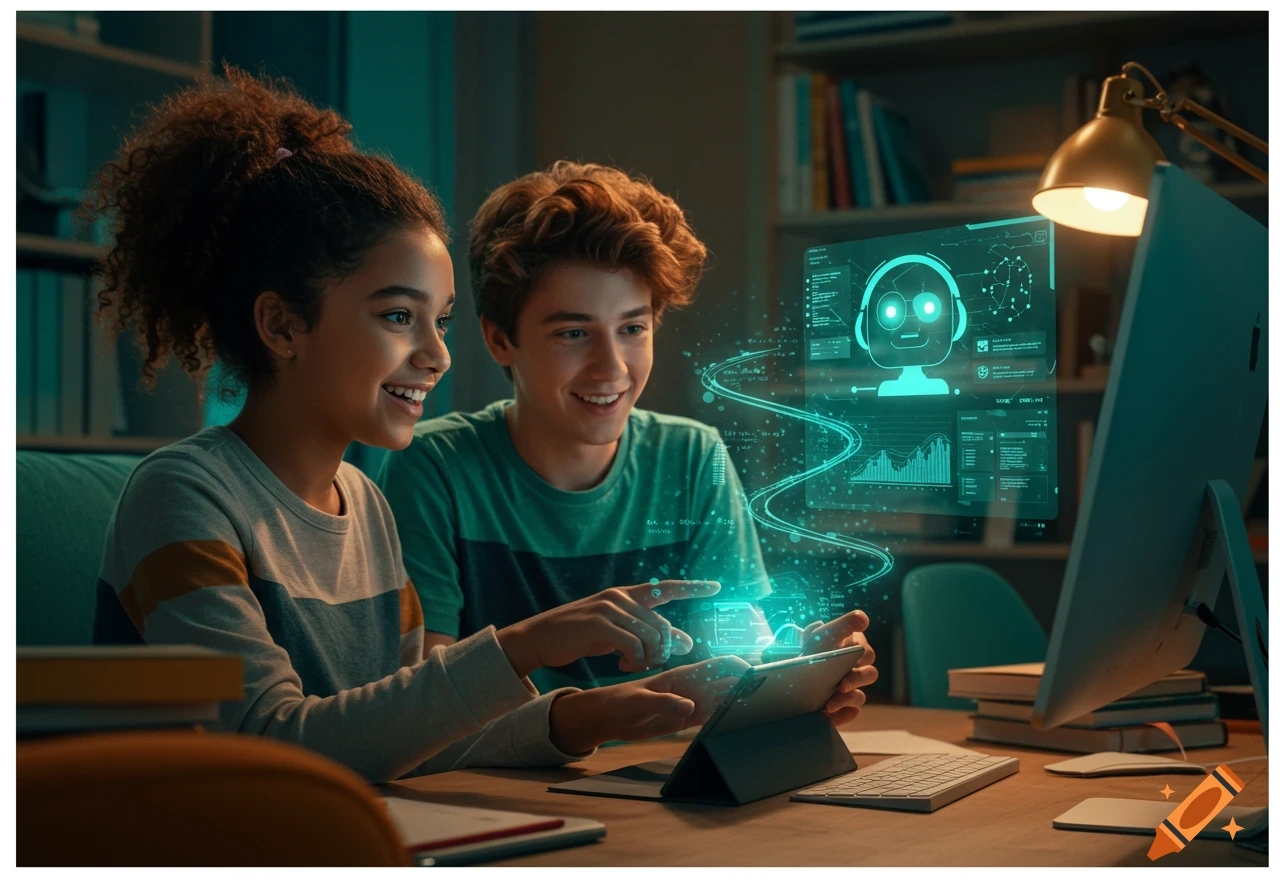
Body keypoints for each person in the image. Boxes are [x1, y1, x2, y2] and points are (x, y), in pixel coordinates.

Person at [87, 70, 744, 784]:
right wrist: (523, 646)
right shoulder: (183, 495)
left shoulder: (365, 504)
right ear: (282, 325)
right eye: (399, 316)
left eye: (441, 321)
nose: (437, 355)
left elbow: (408, 732)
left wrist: (591, 715)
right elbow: (270, 747)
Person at [378, 161, 877, 723]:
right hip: (504, 772)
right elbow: (424, 704)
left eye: (633, 329)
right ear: (499, 339)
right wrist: (593, 715)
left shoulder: (693, 458)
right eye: (574, 333)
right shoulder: (435, 468)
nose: (611, 368)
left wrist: (793, 675)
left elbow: (734, 657)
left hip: (664, 768)